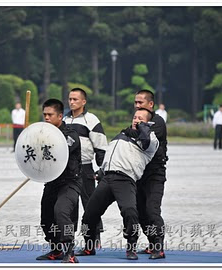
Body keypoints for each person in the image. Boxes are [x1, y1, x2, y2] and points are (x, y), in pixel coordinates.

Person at [77, 108, 159, 260]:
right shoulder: (122, 134)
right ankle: (89, 247)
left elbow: (146, 141)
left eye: (141, 118)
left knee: (130, 212)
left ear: (148, 122)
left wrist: (143, 128)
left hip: (125, 179)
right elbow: (111, 154)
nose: (136, 120)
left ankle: (131, 247)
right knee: (89, 214)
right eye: (135, 117)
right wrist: (100, 172)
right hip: (107, 179)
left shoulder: (151, 139)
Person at [36, 99, 82, 263]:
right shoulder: (41, 134)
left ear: (60, 116)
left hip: (70, 182)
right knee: (46, 217)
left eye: (50, 115)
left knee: (61, 211)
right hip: (52, 181)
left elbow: (60, 150)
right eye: (44, 115)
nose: (46, 118)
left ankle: (70, 252)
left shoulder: (70, 135)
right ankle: (55, 250)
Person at [63, 88, 107, 246]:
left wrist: (102, 171)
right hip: (67, 170)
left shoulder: (91, 120)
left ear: (84, 101)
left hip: (86, 169)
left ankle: (94, 238)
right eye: (70, 99)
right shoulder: (64, 120)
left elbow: (101, 147)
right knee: (69, 206)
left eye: (75, 99)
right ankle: (69, 240)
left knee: (90, 205)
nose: (72, 102)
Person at [134, 90, 168, 259]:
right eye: (136, 103)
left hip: (155, 175)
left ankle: (159, 247)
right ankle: (151, 243)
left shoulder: (158, 122)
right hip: (139, 174)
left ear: (151, 104)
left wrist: (135, 128)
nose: (137, 106)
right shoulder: (139, 119)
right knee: (140, 211)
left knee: (152, 210)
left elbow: (144, 135)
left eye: (140, 102)